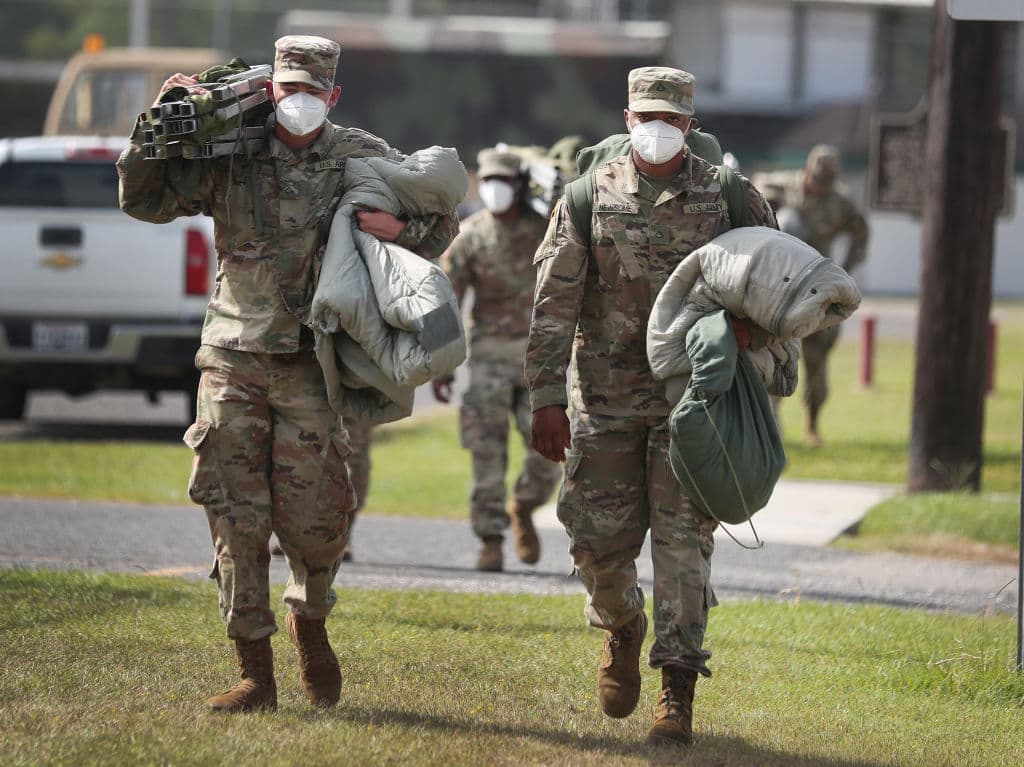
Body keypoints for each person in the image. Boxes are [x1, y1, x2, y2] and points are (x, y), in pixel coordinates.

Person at [117, 35, 458, 713]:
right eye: (286, 88)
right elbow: (145, 200)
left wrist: (401, 232)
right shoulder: (229, 148)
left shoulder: (359, 154)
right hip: (233, 356)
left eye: (310, 91)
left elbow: (439, 214)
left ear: (330, 97)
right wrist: (153, 125)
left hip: (312, 363)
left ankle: (311, 622)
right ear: (268, 88)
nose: (296, 101)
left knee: (315, 517)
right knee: (234, 514)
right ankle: (255, 670)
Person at [525, 66, 776, 748]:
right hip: (604, 404)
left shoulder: (730, 196)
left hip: (692, 404)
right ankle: (621, 624)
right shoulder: (586, 195)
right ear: (628, 118)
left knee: (683, 549)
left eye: (672, 116)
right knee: (595, 543)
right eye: (646, 115)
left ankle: (677, 690)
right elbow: (553, 305)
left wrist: (757, 339)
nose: (658, 127)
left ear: (691, 123)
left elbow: (779, 285)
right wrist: (546, 397)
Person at [433, 148, 562, 572]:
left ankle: (522, 506)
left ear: (519, 186)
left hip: (538, 364)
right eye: (489, 180)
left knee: (549, 456)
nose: (495, 189)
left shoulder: (545, 230)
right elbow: (448, 303)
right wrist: (443, 364)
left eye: (504, 181)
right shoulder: (470, 236)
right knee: (486, 455)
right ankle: (490, 540)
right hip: (487, 361)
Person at [760, 145, 869, 446]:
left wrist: (845, 270)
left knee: (817, 362)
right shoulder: (786, 185)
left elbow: (861, 234)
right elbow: (755, 189)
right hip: (783, 286)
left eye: (825, 184)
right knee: (776, 355)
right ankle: (772, 422)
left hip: (821, 290)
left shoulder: (841, 201)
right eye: (815, 181)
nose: (818, 189)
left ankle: (812, 425)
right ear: (807, 172)